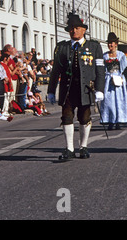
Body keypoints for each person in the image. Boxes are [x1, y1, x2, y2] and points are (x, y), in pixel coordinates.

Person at [47, 13, 105, 160]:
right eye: (71, 28)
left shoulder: (94, 46)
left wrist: (100, 89)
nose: (74, 31)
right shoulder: (62, 48)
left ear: (83, 30)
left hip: (85, 89)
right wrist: (51, 91)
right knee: (66, 117)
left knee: (85, 117)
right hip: (68, 89)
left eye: (77, 28)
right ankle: (69, 148)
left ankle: (83, 147)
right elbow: (55, 71)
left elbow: (100, 70)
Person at [100, 32, 127, 130]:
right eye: (109, 43)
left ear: (116, 44)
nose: (110, 45)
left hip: (119, 80)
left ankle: (119, 120)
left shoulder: (121, 55)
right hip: (108, 80)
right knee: (108, 102)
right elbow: (101, 69)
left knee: (119, 101)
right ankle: (110, 120)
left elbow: (125, 69)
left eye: (112, 43)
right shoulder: (104, 56)